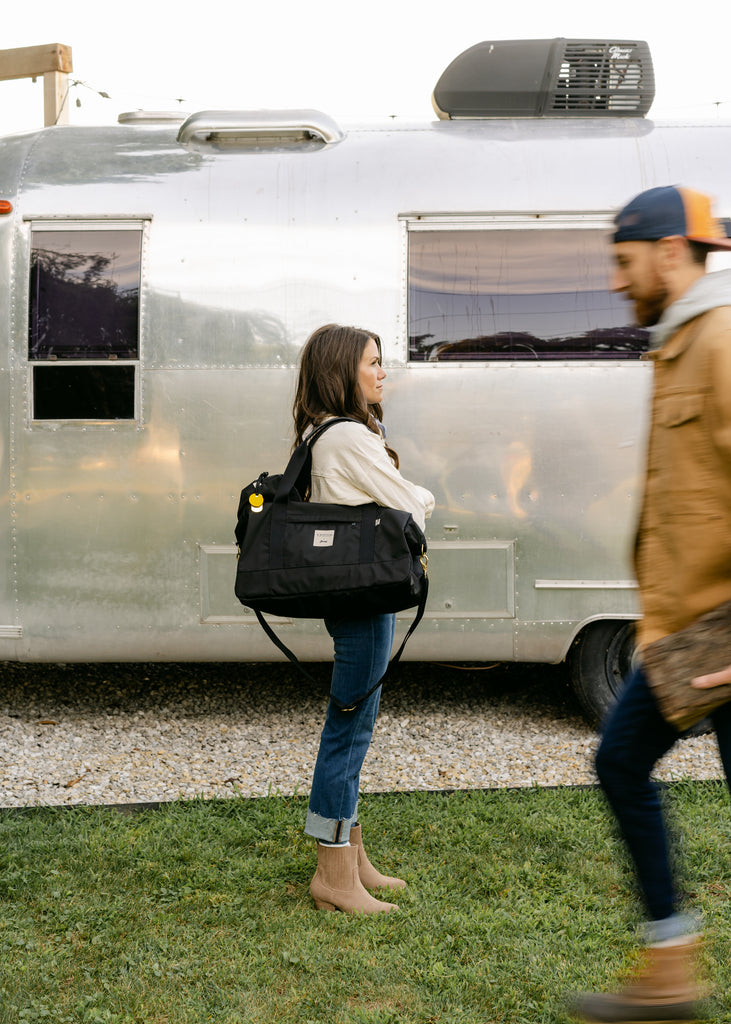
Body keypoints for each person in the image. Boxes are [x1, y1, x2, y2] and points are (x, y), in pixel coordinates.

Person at [571, 186, 731, 1022]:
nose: (614, 281)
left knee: (619, 763)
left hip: (724, 633)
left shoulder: (722, 339)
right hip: (688, 633)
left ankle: (670, 967)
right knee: (619, 763)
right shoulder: (679, 342)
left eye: (623, 262)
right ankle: (670, 966)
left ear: (671, 251)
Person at [293, 323, 435, 914]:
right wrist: (420, 496)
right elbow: (410, 506)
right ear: (341, 371)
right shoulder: (347, 437)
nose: (383, 373)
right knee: (348, 731)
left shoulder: (324, 432)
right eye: (373, 363)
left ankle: (352, 854)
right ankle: (333, 875)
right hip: (363, 599)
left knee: (355, 725)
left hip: (354, 596)